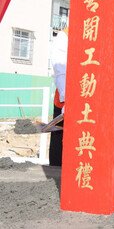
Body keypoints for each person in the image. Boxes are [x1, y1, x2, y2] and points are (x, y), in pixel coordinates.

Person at [49, 27, 68, 166]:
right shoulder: (66, 35)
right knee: (60, 148)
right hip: (65, 102)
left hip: (91, 103)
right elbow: (60, 70)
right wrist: (67, 99)